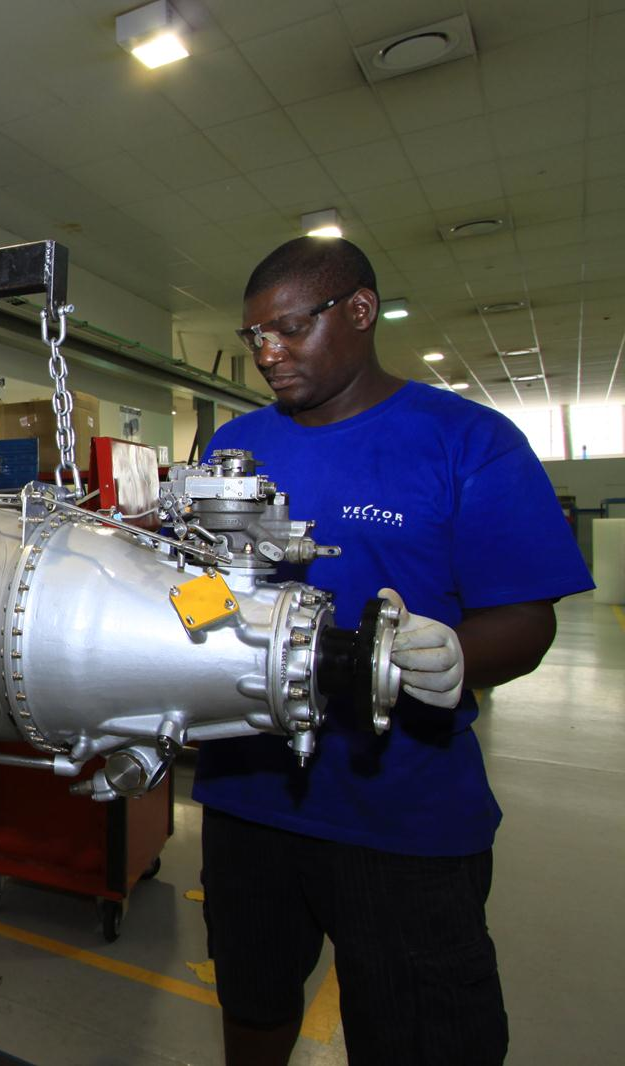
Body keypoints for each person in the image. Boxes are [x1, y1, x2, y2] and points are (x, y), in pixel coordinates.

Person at [194, 237, 594, 1066]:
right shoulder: (234, 445)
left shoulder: (466, 443)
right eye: (254, 338)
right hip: (249, 801)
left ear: (360, 312)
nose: (268, 354)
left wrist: (454, 653)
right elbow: (203, 591)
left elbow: (527, 618)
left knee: (421, 1034)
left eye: (288, 329)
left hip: (402, 814)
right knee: (253, 998)